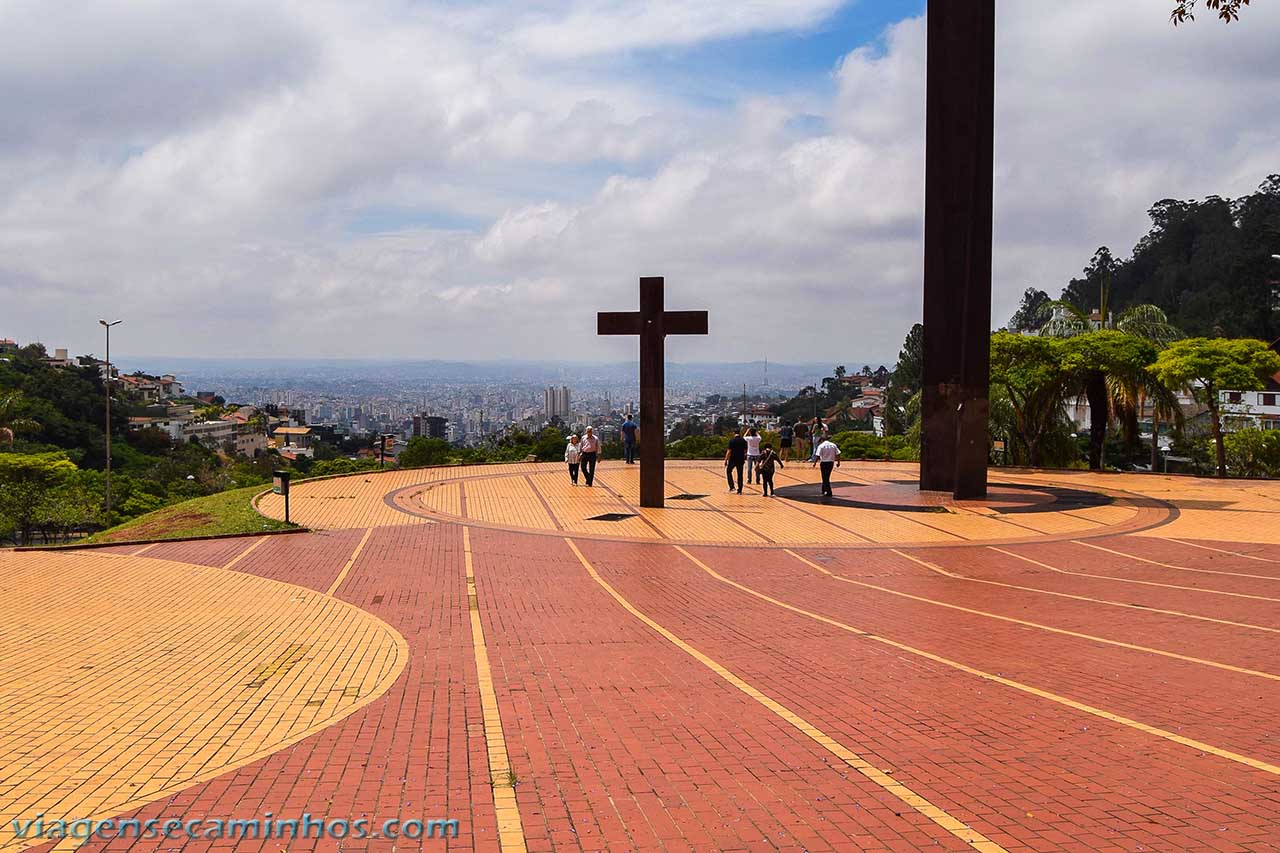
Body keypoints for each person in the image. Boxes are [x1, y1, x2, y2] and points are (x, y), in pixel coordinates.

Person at [724, 429, 748, 494]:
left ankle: (732, 487)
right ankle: (740, 490)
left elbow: (729, 451)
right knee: (740, 474)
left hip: (732, 459)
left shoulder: (732, 441)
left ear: (733, 433)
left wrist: (726, 460)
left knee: (729, 471)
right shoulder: (743, 441)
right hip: (740, 459)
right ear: (739, 433)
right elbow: (745, 451)